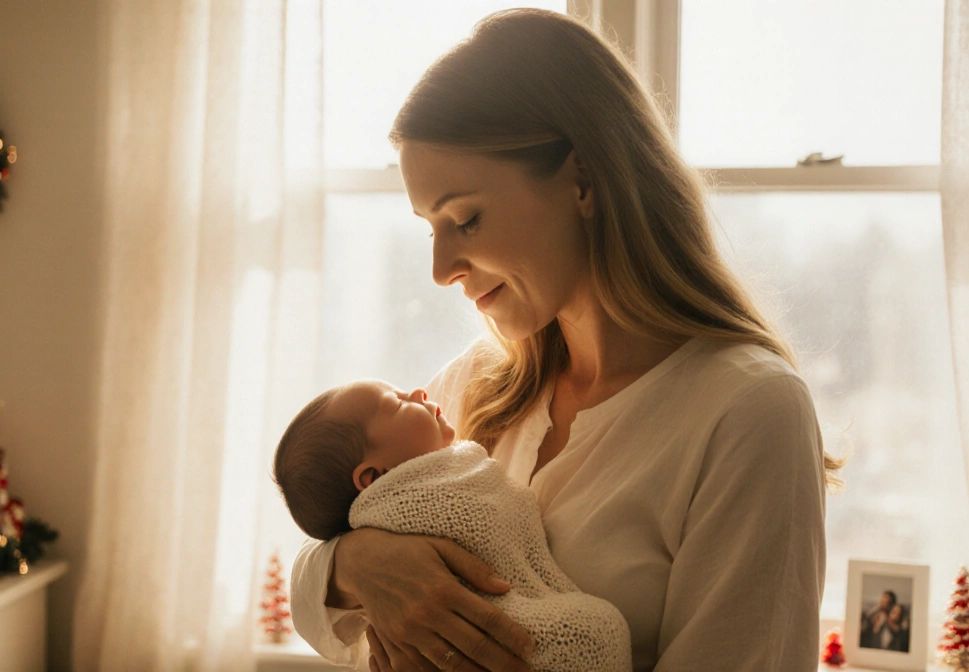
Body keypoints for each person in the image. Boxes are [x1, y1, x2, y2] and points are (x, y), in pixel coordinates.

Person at [289, 8, 841, 672]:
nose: (440, 271)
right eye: (427, 228)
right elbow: (322, 572)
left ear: (582, 179)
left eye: (464, 218)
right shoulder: (477, 386)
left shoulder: (747, 413)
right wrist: (357, 562)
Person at [272, 380, 632, 671]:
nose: (418, 392)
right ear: (373, 476)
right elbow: (316, 553)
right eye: (397, 403)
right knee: (595, 634)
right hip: (506, 643)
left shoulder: (426, 447)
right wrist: (354, 559)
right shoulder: (403, 494)